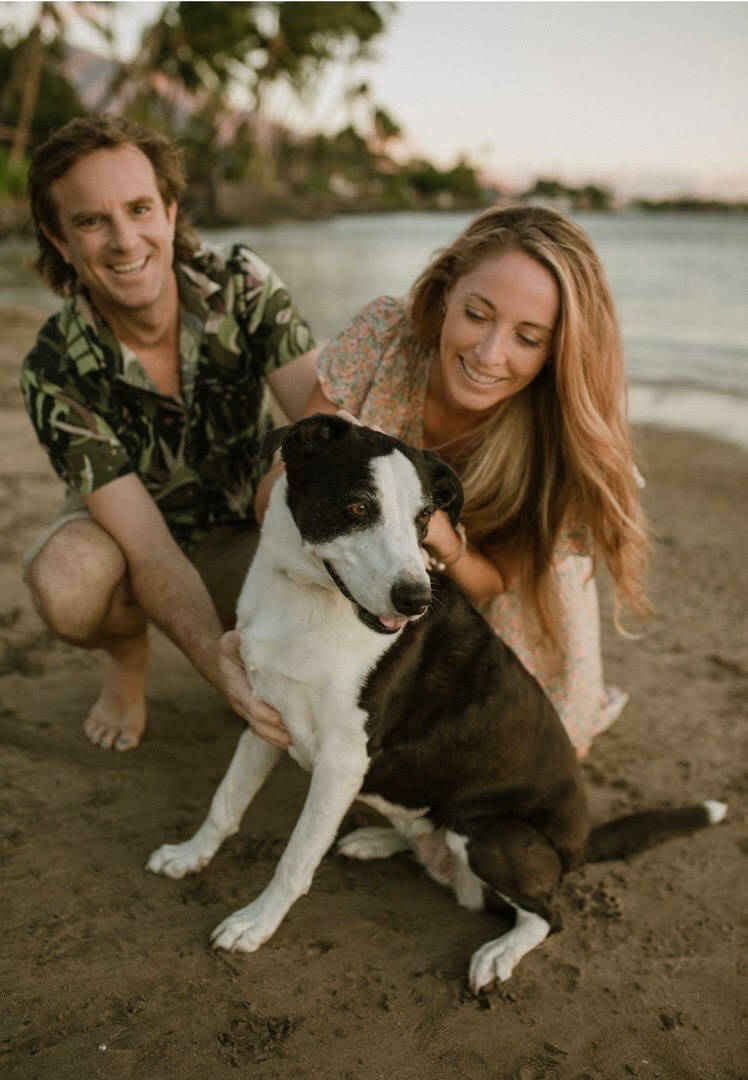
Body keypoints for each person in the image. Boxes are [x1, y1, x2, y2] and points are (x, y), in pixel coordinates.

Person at [253, 204, 650, 757]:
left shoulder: (553, 438)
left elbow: (490, 584)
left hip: (492, 580)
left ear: (557, 349)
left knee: (534, 741)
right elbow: (273, 497)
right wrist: (317, 478)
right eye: (477, 314)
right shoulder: (385, 335)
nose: (489, 355)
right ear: (444, 295)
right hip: (365, 551)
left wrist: (439, 535)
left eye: (527, 338)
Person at [20, 114, 319, 751]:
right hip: (130, 542)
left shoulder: (242, 285)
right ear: (59, 238)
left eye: (138, 209)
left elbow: (322, 422)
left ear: (170, 209)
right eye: (92, 221)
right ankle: (127, 653)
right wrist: (220, 670)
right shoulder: (53, 367)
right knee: (67, 584)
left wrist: (285, 462)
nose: (125, 241)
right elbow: (151, 550)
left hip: (249, 526)